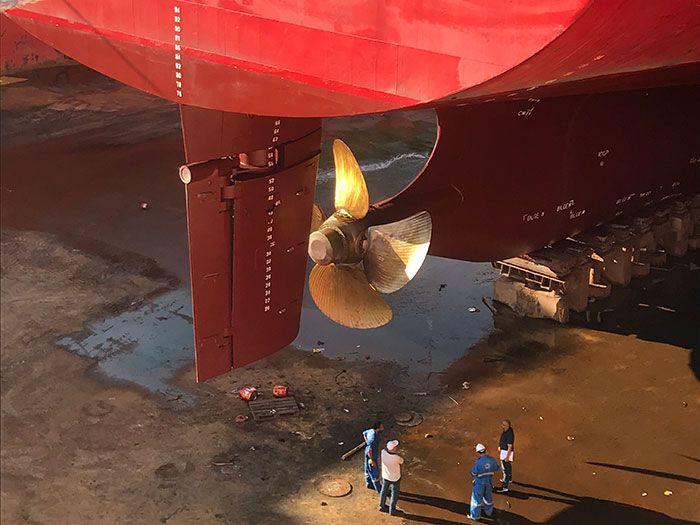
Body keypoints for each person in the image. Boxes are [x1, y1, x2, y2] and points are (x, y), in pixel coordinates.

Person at [469, 443, 499, 521]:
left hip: (479, 483)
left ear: (478, 452)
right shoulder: (492, 460)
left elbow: (473, 473)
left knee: (476, 500)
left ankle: (475, 517)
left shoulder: (478, 462)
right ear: (485, 451)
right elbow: (496, 468)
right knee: (488, 498)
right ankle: (489, 512)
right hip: (488, 482)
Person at [379, 440, 404, 515]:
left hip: (385, 476)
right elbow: (402, 461)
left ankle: (381, 506)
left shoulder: (383, 452)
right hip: (395, 478)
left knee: (383, 491)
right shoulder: (396, 458)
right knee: (394, 493)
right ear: (393, 449)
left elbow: (384, 450)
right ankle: (392, 510)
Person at [363, 421, 383, 492]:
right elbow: (369, 450)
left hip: (367, 454)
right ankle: (379, 489)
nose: (382, 428)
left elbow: (364, 433)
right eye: (381, 427)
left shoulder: (370, 431)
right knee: (374, 472)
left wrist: (367, 442)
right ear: (378, 429)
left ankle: (368, 483)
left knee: (367, 470)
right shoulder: (373, 438)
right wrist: (372, 460)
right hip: (371, 456)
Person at [496, 419, 514, 493]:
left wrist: (507, 456)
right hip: (504, 451)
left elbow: (510, 446)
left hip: (505, 453)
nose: (501, 425)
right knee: (508, 466)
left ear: (507, 426)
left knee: (505, 469)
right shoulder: (508, 430)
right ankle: (509, 479)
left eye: (503, 425)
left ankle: (504, 486)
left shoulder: (509, 434)